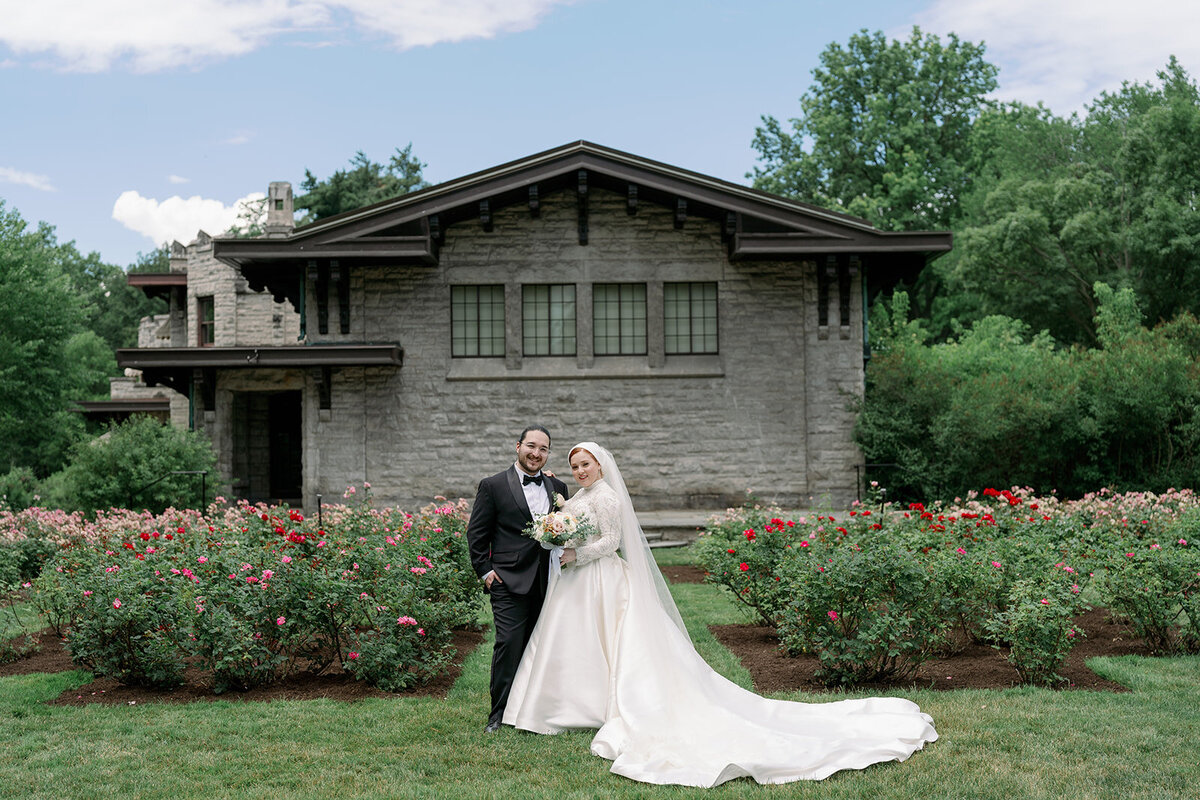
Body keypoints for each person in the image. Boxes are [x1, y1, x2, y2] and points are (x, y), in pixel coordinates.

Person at [502, 442, 938, 787]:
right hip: (578, 582)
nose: (580, 471)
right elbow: (566, 529)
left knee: (615, 643)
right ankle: (574, 705)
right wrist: (554, 539)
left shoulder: (608, 497)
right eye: (575, 465)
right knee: (579, 644)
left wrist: (575, 552)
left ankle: (603, 705)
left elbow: (612, 542)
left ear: (601, 466)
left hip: (601, 577)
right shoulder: (576, 495)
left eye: (586, 464)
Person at [465, 425, 570, 733]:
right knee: (509, 644)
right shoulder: (493, 485)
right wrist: (486, 572)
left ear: (548, 454)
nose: (536, 453)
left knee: (543, 646)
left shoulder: (558, 487)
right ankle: (497, 714)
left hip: (550, 580)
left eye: (543, 449)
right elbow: (477, 533)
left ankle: (533, 711)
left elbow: (567, 526)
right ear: (518, 446)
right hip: (507, 580)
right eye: (531, 446)